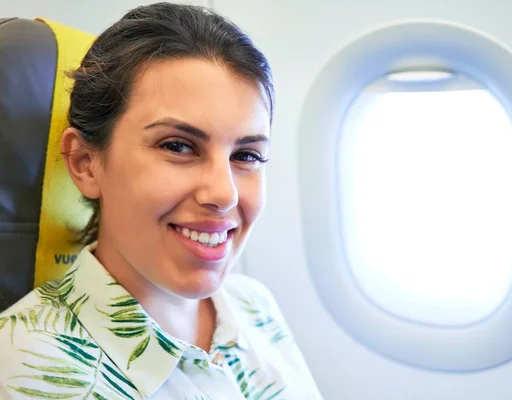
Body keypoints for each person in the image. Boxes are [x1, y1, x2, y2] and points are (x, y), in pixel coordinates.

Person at [0, 3, 323, 399]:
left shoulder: (253, 303)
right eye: (178, 146)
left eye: (246, 155)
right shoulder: (27, 367)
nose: (224, 194)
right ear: (86, 163)